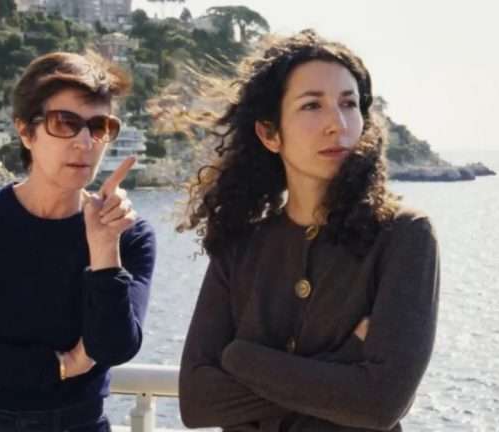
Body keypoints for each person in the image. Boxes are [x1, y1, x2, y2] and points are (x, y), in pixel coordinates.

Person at [178, 30, 440, 431]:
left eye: (349, 104)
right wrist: (345, 360)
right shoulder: (240, 246)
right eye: (312, 105)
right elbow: (198, 402)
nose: (337, 124)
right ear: (270, 134)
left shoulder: (404, 236)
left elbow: (381, 403)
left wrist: (242, 359)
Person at [0, 52, 156, 432]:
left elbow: (114, 348)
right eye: (65, 123)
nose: (85, 141)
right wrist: (61, 365)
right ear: (25, 132)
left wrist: (103, 248)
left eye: (99, 126)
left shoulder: (127, 234)